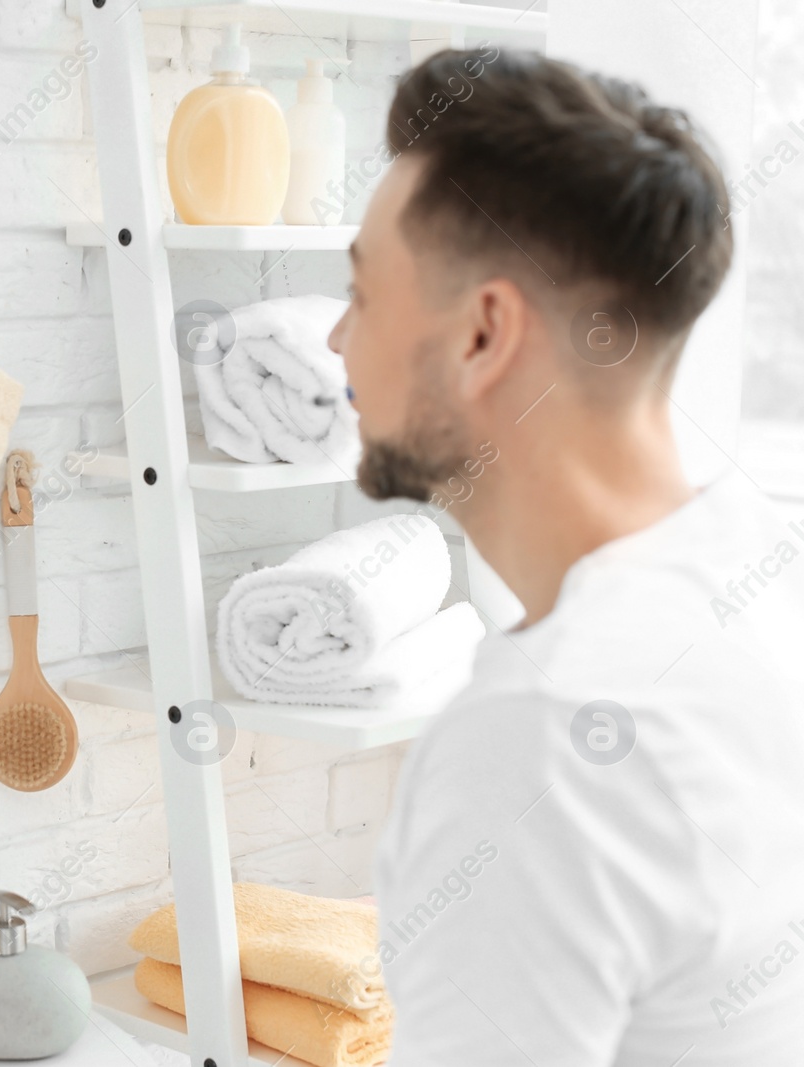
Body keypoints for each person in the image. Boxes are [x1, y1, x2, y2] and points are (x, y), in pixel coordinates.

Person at [329, 48, 804, 1063]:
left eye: (362, 295)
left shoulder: (546, 735)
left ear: (482, 333)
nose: (335, 341)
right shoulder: (762, 567)